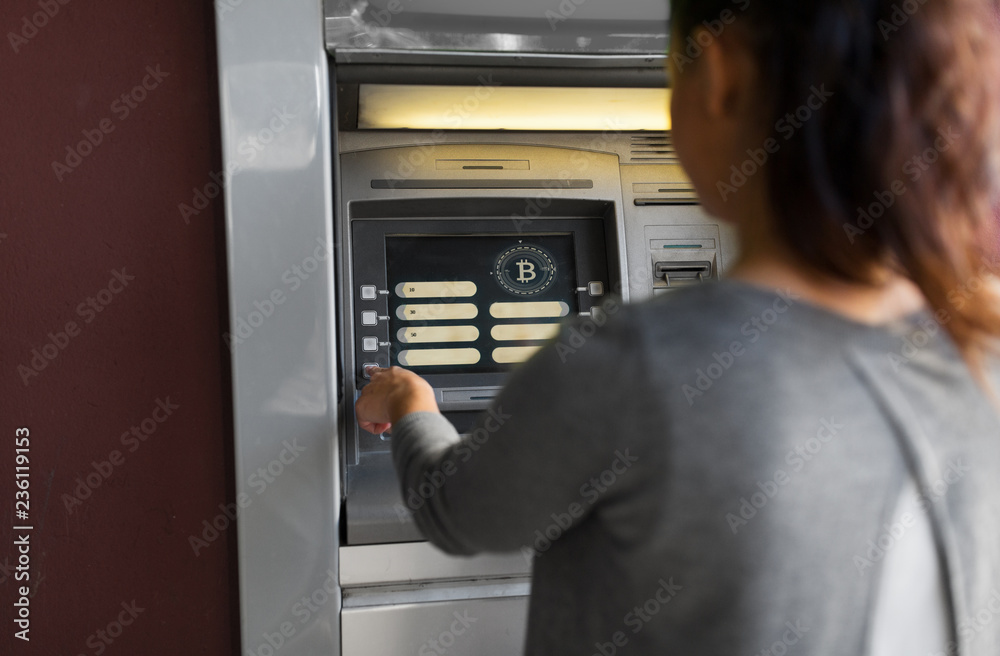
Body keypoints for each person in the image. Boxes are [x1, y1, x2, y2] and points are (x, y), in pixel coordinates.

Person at [356, 0, 1000, 653]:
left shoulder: (639, 361)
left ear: (720, 75)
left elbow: (462, 513)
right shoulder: (979, 350)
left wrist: (413, 405)